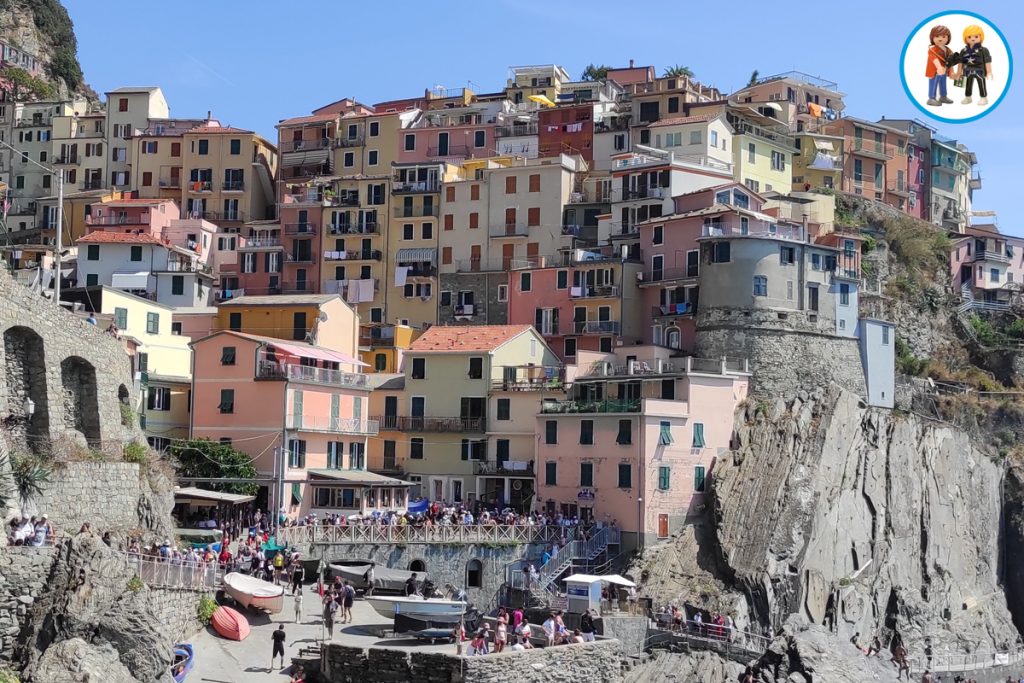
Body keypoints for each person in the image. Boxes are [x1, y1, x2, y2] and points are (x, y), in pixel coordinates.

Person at [955, 25, 993, 106]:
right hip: (967, 71)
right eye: (969, 37)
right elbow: (960, 62)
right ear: (965, 38)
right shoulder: (964, 50)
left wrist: (989, 72)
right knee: (968, 84)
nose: (973, 39)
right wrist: (958, 72)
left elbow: (987, 61)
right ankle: (968, 97)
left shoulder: (983, 50)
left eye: (976, 36)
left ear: (981, 37)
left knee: (981, 83)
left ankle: (983, 97)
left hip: (979, 71)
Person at [925, 25, 954, 106]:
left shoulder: (948, 50)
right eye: (937, 36)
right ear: (932, 38)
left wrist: (951, 72)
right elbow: (934, 58)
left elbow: (951, 60)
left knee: (943, 83)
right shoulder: (932, 50)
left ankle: (943, 96)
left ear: (948, 38)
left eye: (944, 36)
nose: (940, 39)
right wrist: (939, 67)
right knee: (933, 83)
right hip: (935, 71)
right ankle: (931, 98)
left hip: (944, 71)